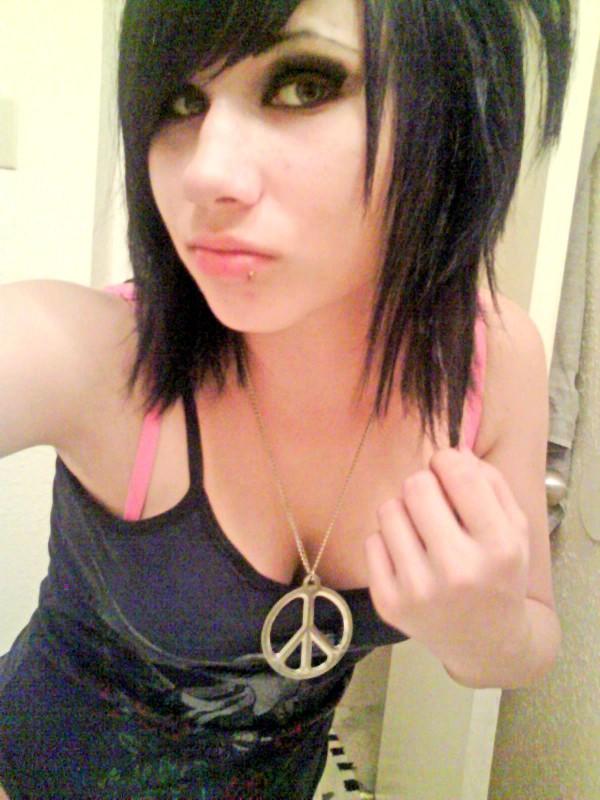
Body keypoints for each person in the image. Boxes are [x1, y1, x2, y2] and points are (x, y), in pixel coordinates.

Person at [0, 0, 573, 797]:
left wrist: (483, 626)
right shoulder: (99, 356)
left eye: (304, 84)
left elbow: (531, 637)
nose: (204, 172)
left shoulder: (490, 363)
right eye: (180, 101)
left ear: (451, 105)